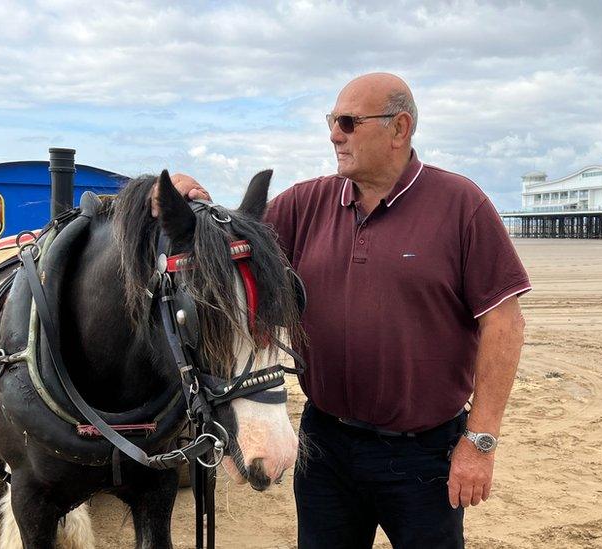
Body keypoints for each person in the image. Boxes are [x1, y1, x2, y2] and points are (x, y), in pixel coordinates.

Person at [164, 72, 530, 548]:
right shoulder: (304, 204)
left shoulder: (461, 205)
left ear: (399, 128)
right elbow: (230, 246)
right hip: (326, 446)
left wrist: (480, 442)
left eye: (348, 122)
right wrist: (188, 195)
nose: (334, 133)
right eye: (332, 121)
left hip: (425, 455)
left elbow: (504, 322)